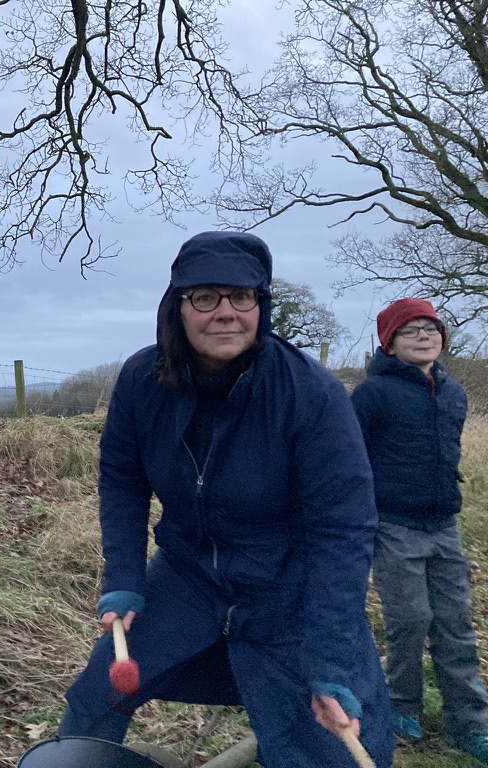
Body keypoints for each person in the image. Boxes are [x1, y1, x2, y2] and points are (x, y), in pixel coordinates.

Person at [57, 231, 395, 767]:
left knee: (334, 744)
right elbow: (122, 479)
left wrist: (330, 658)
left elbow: (343, 530)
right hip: (189, 573)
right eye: (205, 297)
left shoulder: (311, 394)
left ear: (261, 305)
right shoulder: (142, 381)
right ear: (177, 307)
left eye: (242, 297)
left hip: (288, 585)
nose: (225, 313)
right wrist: (123, 578)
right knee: (98, 697)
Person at [351, 298, 488, 762]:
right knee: (409, 621)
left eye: (431, 328)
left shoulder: (453, 392)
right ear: (389, 344)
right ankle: (402, 705)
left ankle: (468, 721)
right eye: (410, 330)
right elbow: (351, 459)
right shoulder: (372, 394)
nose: (424, 336)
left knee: (456, 625)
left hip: (444, 526)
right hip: (394, 526)